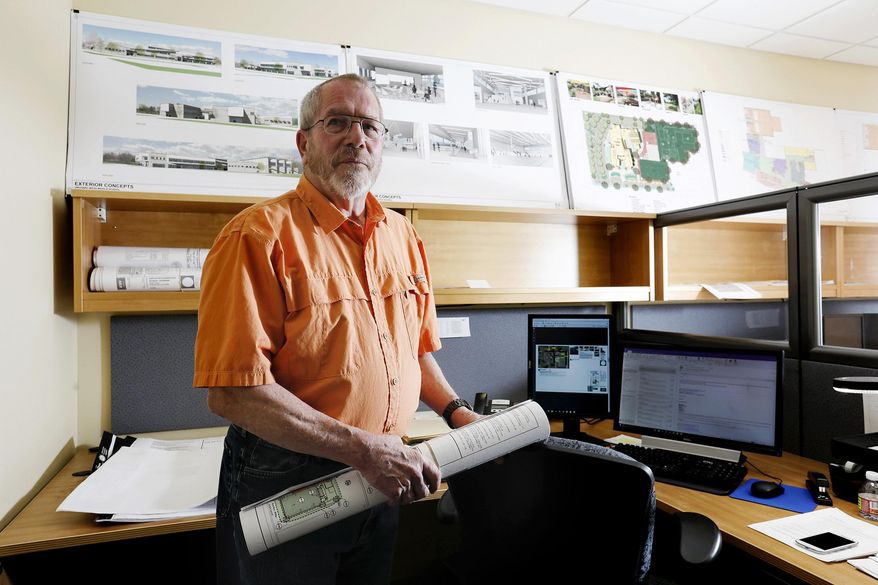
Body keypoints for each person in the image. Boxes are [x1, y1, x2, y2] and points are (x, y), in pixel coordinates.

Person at [193, 72, 480, 585]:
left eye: (370, 126)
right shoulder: (256, 236)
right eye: (338, 122)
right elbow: (233, 393)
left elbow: (414, 349)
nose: (357, 137)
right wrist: (361, 449)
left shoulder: (402, 235)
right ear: (304, 142)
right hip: (290, 474)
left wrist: (457, 413)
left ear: (382, 144)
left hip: (383, 469)